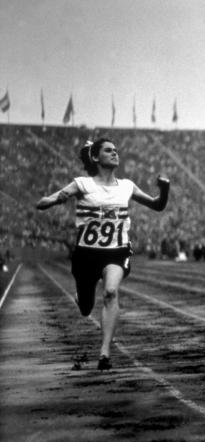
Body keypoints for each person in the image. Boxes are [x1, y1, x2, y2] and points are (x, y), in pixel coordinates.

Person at [36, 138, 170, 370]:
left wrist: (164, 189)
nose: (115, 153)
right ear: (95, 157)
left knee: (110, 291)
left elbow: (157, 205)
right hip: (86, 254)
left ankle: (104, 353)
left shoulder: (127, 186)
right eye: (108, 151)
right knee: (86, 308)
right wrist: (56, 199)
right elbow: (41, 203)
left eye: (116, 150)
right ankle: (83, 294)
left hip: (116, 251)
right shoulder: (82, 184)